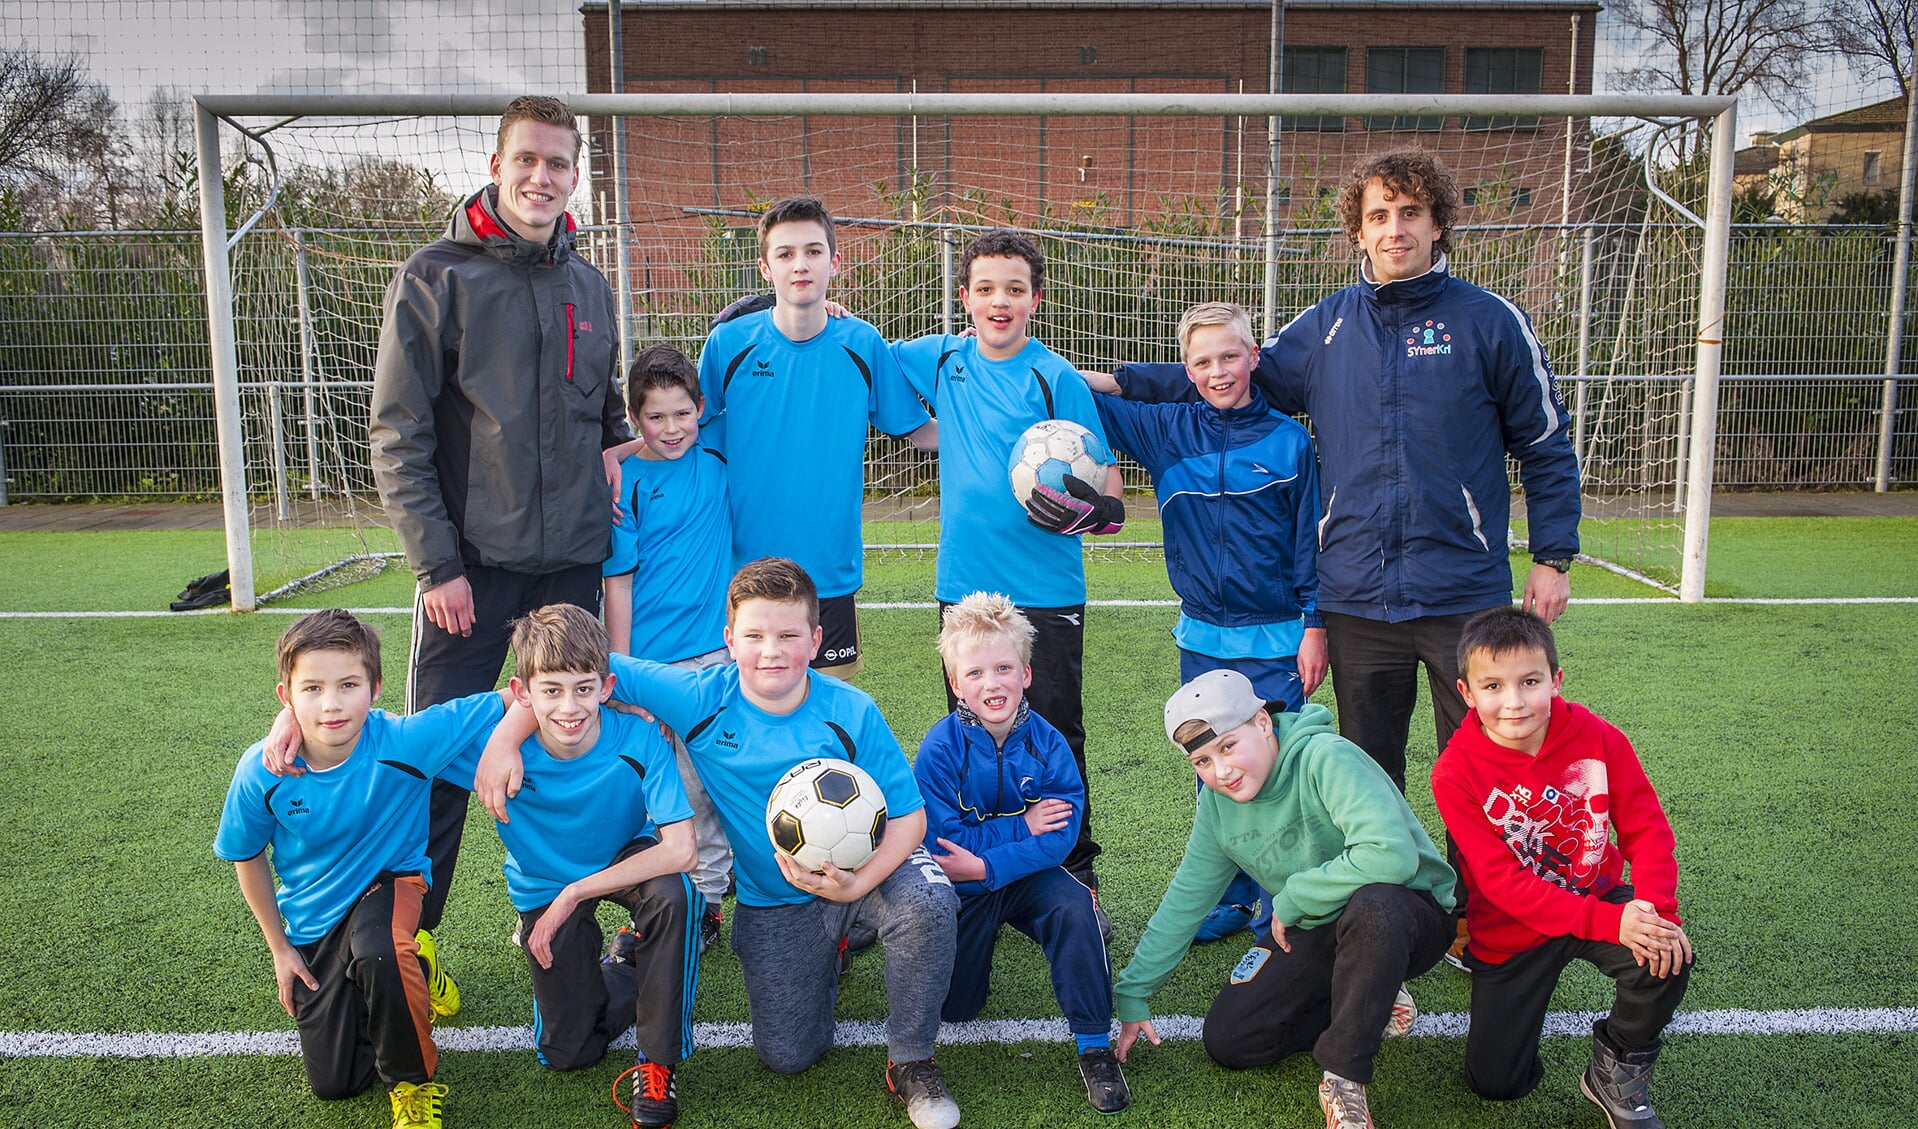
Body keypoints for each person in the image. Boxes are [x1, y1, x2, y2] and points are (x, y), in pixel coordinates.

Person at [1097, 148, 1582, 799]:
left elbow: (1547, 444)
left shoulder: (1490, 322)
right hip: (1355, 597)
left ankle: (1483, 903)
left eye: (1410, 212)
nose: (1395, 229)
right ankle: (1385, 901)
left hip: (1464, 592)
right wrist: (1111, 381)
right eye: (1378, 215)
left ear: (1438, 223)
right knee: (1369, 778)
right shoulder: (1327, 327)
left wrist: (1553, 556)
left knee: (1484, 769)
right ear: (1358, 230)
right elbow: (1227, 376)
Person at [475, 558, 963, 1129]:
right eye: (754, 635)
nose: (771, 651)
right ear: (730, 640)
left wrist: (858, 882)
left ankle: (912, 1060)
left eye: (788, 635)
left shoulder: (851, 710)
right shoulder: (698, 696)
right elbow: (574, 672)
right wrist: (507, 735)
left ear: (816, 639)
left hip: (866, 873)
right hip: (775, 898)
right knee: (788, 1056)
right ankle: (832, 948)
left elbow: (910, 820)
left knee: (927, 900)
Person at [368, 95, 631, 987]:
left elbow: (604, 408)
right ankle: (414, 944)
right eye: (528, 159)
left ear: (574, 174)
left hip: (569, 573)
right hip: (468, 575)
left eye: (560, 164)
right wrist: (434, 562)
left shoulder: (587, 284)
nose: (542, 178)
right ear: (495, 161)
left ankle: (573, 938)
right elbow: (396, 430)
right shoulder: (435, 275)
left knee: (572, 750)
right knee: (434, 766)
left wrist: (619, 450)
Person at [891, 228, 1128, 907]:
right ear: (963, 297)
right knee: (969, 731)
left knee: (1053, 730)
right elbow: (870, 363)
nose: (1000, 301)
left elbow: (1111, 498)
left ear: (1035, 299)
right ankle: (976, 858)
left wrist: (1087, 513)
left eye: (1015, 290)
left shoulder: (1054, 377)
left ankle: (1075, 870)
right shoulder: (938, 359)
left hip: (1047, 589)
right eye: (986, 288)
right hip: (964, 587)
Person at [1113, 669, 1456, 1129]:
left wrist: (1295, 894)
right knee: (1231, 1039)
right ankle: (1373, 988)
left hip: (1410, 913)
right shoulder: (1218, 807)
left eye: (1228, 746)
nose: (1222, 772)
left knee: (1375, 904)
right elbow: (1186, 900)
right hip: (1320, 922)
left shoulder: (1325, 757)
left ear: (1262, 722)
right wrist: (1134, 992)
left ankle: (1343, 1076)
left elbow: (1392, 857)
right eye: (1203, 762)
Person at [214, 611, 510, 1129]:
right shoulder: (261, 770)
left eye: (348, 685)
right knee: (338, 1082)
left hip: (391, 882)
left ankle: (414, 1085)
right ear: (285, 696)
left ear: (375, 688)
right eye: (313, 688)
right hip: (315, 918)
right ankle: (418, 967)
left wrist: (507, 742)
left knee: (379, 948)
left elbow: (515, 696)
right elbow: (246, 854)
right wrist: (281, 949)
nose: (331, 704)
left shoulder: (406, 741)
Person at [1091, 299, 1324, 944]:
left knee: (1278, 768)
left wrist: (1315, 623)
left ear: (1255, 358)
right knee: (1218, 767)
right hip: (1204, 638)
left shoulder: (1289, 439)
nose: (1218, 371)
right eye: (1202, 362)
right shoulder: (1166, 432)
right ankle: (1231, 893)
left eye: (1230, 356)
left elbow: (1309, 541)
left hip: (1279, 637)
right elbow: (1087, 400)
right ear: (1186, 370)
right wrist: (1034, 359)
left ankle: (1287, 895)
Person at [440, 604, 700, 1129]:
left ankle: (657, 1061)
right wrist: (291, 720)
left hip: (624, 853)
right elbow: (383, 734)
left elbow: (681, 849)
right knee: (570, 1052)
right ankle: (626, 963)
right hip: (543, 880)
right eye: (551, 691)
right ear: (522, 693)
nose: (569, 707)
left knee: (674, 894)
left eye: (584, 688)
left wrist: (576, 893)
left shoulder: (638, 736)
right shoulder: (484, 740)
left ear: (607, 687)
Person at [1432, 607, 1692, 1127]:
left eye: (1530, 682)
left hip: (1596, 894)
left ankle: (1615, 1065)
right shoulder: (1454, 772)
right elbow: (1502, 884)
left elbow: (1647, 831)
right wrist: (1613, 922)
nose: (1513, 702)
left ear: (1555, 680)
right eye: (1493, 686)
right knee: (1497, 1084)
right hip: (1514, 928)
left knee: (1666, 955)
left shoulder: (1599, 737)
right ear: (1466, 693)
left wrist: (1655, 912)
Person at [695, 195, 936, 680]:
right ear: (765, 267)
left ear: (834, 262)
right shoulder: (728, 346)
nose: (799, 265)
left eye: (813, 251)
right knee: (753, 710)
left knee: (827, 716)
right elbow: (684, 433)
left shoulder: (862, 344)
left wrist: (994, 431)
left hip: (829, 572)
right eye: (785, 254)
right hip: (746, 569)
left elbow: (921, 433)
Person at [913, 592, 1129, 1114]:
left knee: (1075, 904)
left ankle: (1095, 1047)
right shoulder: (939, 750)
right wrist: (1020, 828)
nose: (992, 683)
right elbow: (945, 842)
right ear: (955, 684)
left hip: (1019, 876)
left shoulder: (1050, 744)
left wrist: (990, 861)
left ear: (1026, 674)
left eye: (1004, 668)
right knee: (959, 1008)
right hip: (964, 888)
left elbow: (1059, 836)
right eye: (976, 673)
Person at [603, 342, 736, 947]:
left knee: (724, 775)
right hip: (656, 664)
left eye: (681, 413)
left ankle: (744, 890)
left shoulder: (718, 456)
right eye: (654, 417)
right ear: (635, 419)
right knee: (678, 786)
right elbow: (618, 581)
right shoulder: (624, 482)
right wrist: (626, 674)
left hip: (722, 653)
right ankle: (702, 903)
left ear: (701, 409)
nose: (671, 428)